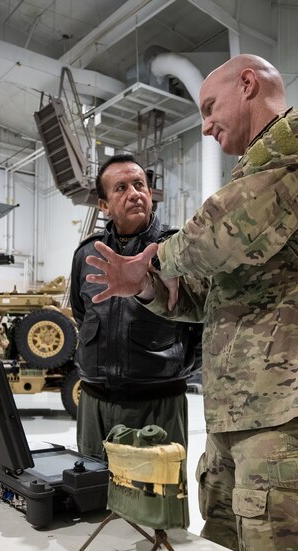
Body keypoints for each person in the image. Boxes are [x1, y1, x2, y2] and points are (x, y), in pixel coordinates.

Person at [84, 55, 298, 551]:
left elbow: (233, 228)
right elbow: (202, 296)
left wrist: (158, 257)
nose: (205, 123)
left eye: (210, 106)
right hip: (237, 417)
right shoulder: (251, 175)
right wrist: (147, 285)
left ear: (248, 84)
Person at [69, 152, 202, 461]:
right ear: (103, 205)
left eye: (140, 185)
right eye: (121, 188)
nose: (134, 194)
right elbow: (81, 314)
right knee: (92, 499)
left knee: (157, 502)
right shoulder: (87, 255)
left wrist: (174, 369)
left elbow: (202, 326)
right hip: (93, 404)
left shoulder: (177, 249)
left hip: (158, 406)